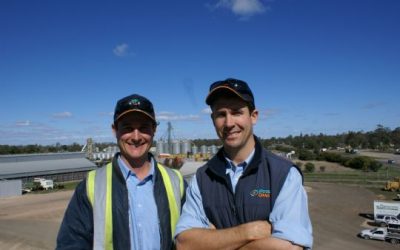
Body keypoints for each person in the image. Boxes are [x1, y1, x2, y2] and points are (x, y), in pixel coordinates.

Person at [175, 78, 313, 249]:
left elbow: (291, 247)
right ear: (213, 119)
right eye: (221, 114)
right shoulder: (202, 178)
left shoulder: (283, 174)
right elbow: (184, 244)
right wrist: (249, 232)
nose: (229, 123)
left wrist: (214, 241)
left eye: (237, 112)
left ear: (253, 116)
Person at [57, 94, 186, 250]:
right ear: (115, 130)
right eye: (128, 128)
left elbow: (194, 237)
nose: (136, 137)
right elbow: (71, 244)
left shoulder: (176, 182)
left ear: (154, 129)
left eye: (144, 127)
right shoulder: (92, 186)